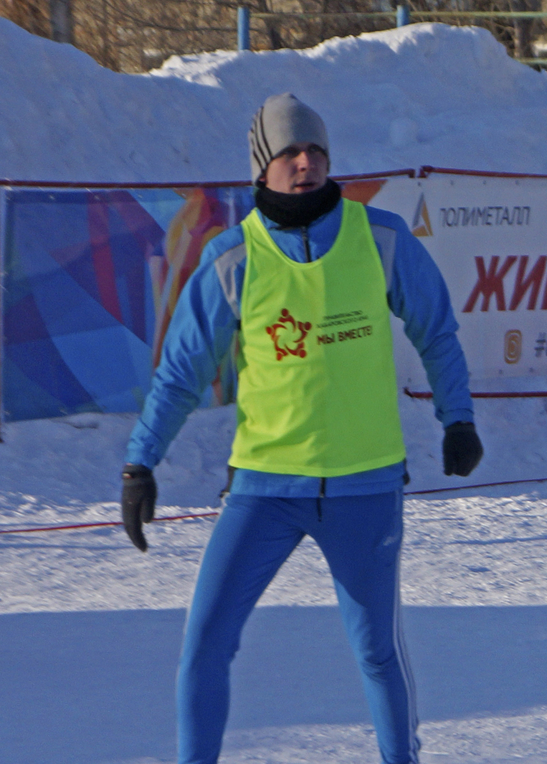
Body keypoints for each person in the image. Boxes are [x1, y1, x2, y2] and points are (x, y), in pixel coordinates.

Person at [120, 93, 484, 763]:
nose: (305, 162)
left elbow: (437, 330)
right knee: (204, 644)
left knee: (378, 650)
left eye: (315, 150)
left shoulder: (379, 238)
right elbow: (180, 373)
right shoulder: (233, 259)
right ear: (263, 165)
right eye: (290, 151)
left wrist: (456, 418)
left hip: (364, 486)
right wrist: (140, 464)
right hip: (264, 488)